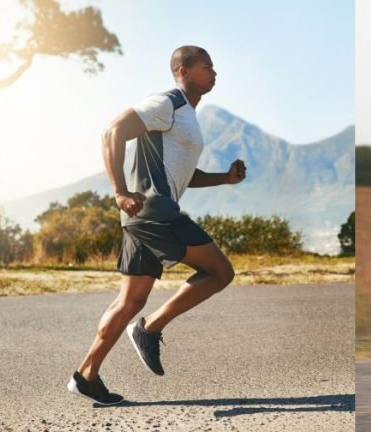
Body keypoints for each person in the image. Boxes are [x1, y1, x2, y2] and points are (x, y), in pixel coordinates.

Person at [67, 45, 247, 405]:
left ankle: (86, 376)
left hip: (142, 217)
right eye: (207, 66)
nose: (215, 72)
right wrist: (119, 191)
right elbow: (112, 132)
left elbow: (184, 175)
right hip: (154, 211)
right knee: (220, 272)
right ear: (183, 70)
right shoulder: (168, 103)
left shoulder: (186, 116)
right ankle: (149, 329)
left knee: (129, 300)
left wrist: (224, 179)